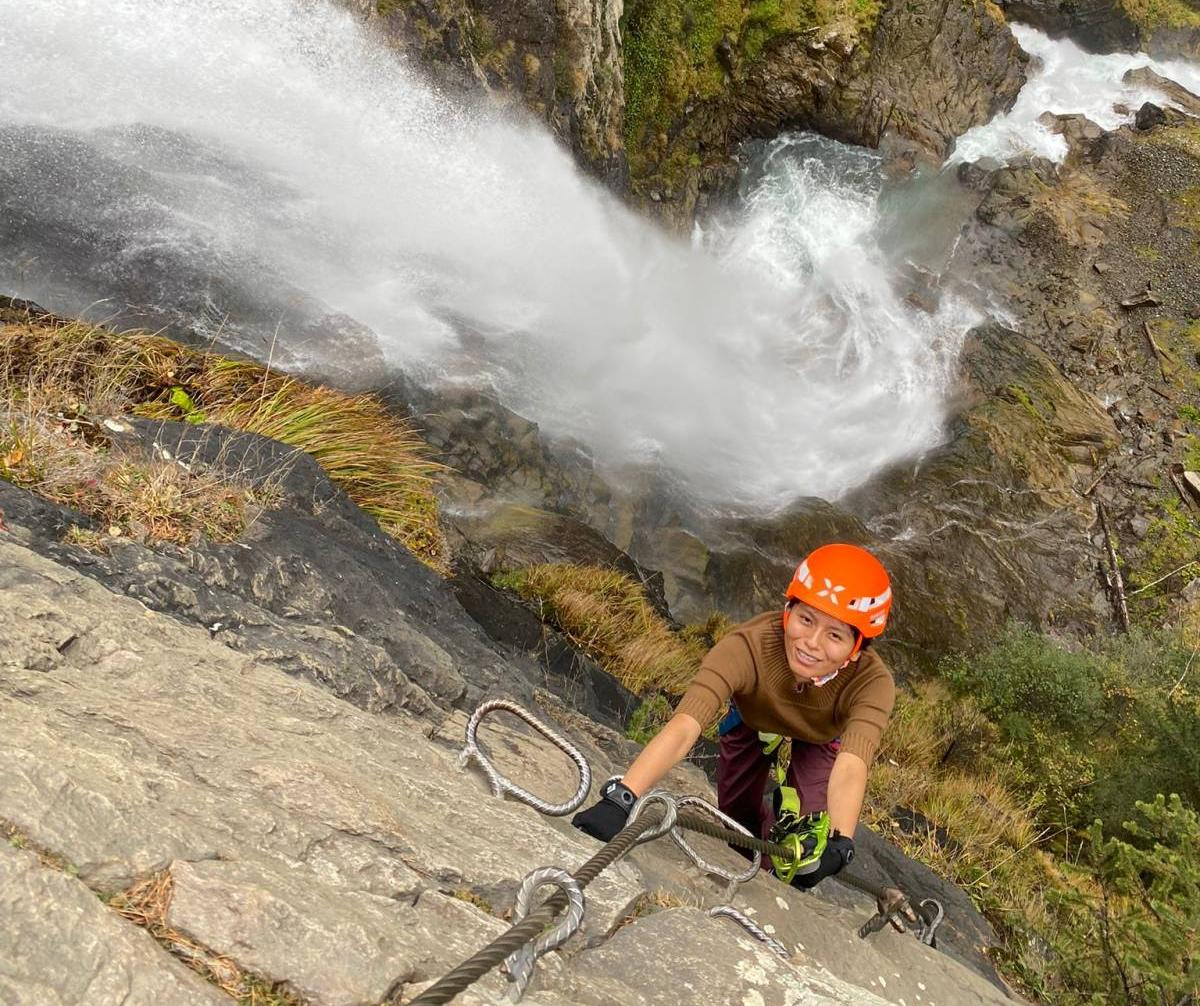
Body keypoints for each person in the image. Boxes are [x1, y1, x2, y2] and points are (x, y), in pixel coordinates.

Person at [572, 543, 895, 889]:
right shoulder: (747, 647)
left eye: (835, 635)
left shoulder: (872, 683)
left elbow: (852, 763)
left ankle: (775, 866)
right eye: (806, 619)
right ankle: (754, 854)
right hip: (753, 717)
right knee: (736, 822)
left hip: (819, 735)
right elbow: (685, 725)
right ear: (787, 612)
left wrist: (841, 841)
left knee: (804, 849)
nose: (812, 643)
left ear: (857, 647)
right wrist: (623, 797)